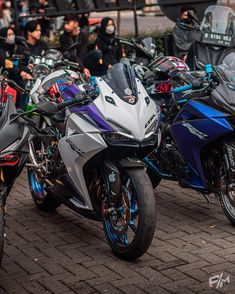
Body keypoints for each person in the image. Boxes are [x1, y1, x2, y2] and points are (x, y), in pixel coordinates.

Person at [59, 13, 90, 79]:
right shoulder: (63, 37)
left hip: (82, 63)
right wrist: (83, 68)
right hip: (69, 64)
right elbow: (70, 54)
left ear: (76, 24)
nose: (65, 26)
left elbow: (83, 53)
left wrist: (82, 67)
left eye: (68, 23)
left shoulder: (83, 36)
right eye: (65, 23)